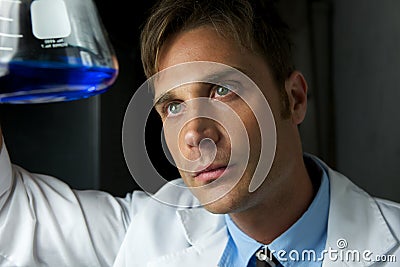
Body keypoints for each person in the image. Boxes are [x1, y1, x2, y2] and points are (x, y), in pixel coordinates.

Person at [0, 0, 399, 266]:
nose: (193, 134)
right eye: (174, 106)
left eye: (221, 90)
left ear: (292, 99)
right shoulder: (141, 235)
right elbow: (9, 210)